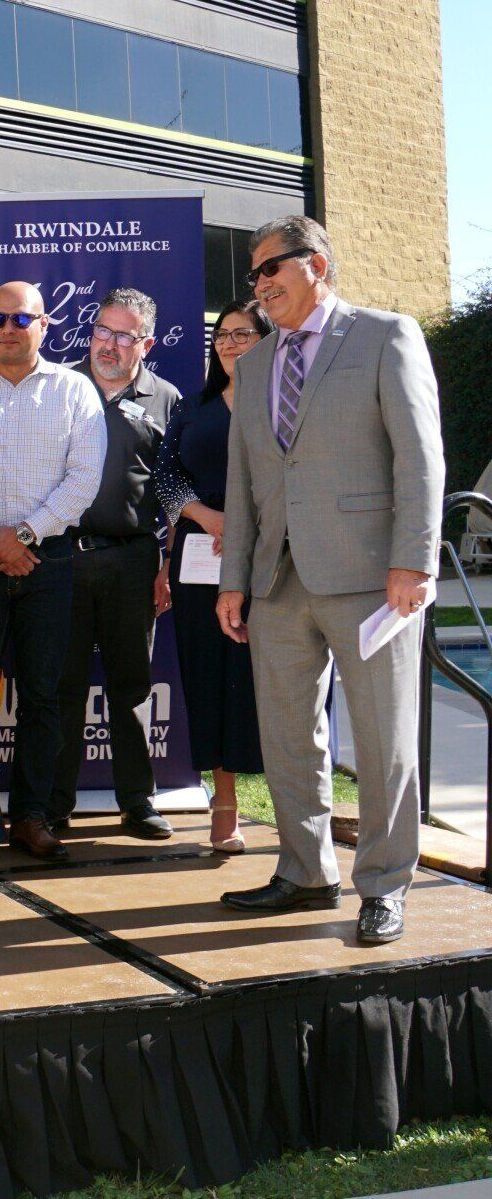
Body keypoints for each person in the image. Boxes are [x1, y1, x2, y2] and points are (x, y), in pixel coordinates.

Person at [217, 216, 443, 945]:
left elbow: (420, 456)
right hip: (278, 579)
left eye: (269, 269)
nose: (259, 285)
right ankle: (305, 871)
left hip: (374, 579)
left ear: (315, 263)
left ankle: (383, 885)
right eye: (253, 275)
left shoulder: (385, 335)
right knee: (287, 738)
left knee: (383, 742)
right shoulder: (252, 365)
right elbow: (246, 481)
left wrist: (413, 560)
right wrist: (233, 580)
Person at [0, 281, 107, 861]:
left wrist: (27, 535)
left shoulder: (75, 391)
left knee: (45, 697)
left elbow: (84, 479)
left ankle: (33, 816)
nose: (9, 329)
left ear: (45, 326)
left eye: (21, 319)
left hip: (52, 561)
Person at [47, 289, 182, 840]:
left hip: (132, 562)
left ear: (146, 343)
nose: (109, 344)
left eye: (124, 336)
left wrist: (165, 566)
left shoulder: (166, 399)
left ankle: (137, 802)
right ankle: (51, 807)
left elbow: (174, 489)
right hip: (61, 559)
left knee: (130, 689)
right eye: (103, 331)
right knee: (60, 689)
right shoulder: (57, 387)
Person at [156, 304, 272, 854]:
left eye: (242, 333)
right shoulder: (192, 406)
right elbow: (164, 476)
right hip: (200, 558)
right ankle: (222, 806)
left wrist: (248, 526)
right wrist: (205, 517)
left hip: (273, 556)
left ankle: (290, 804)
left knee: (262, 677)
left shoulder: (285, 402)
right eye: (222, 335)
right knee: (207, 676)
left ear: (267, 340)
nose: (229, 343)